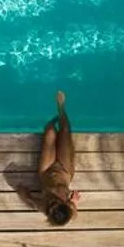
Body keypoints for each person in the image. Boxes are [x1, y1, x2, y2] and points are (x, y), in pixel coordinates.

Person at [37, 90, 80, 225]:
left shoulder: (43, 206)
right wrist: (74, 201)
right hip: (65, 171)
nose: (51, 203)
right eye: (55, 203)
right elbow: (74, 214)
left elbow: (28, 199)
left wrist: (23, 192)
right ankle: (60, 107)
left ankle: (52, 120)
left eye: (51, 206)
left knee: (50, 130)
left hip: (46, 170)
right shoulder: (70, 209)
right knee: (65, 128)